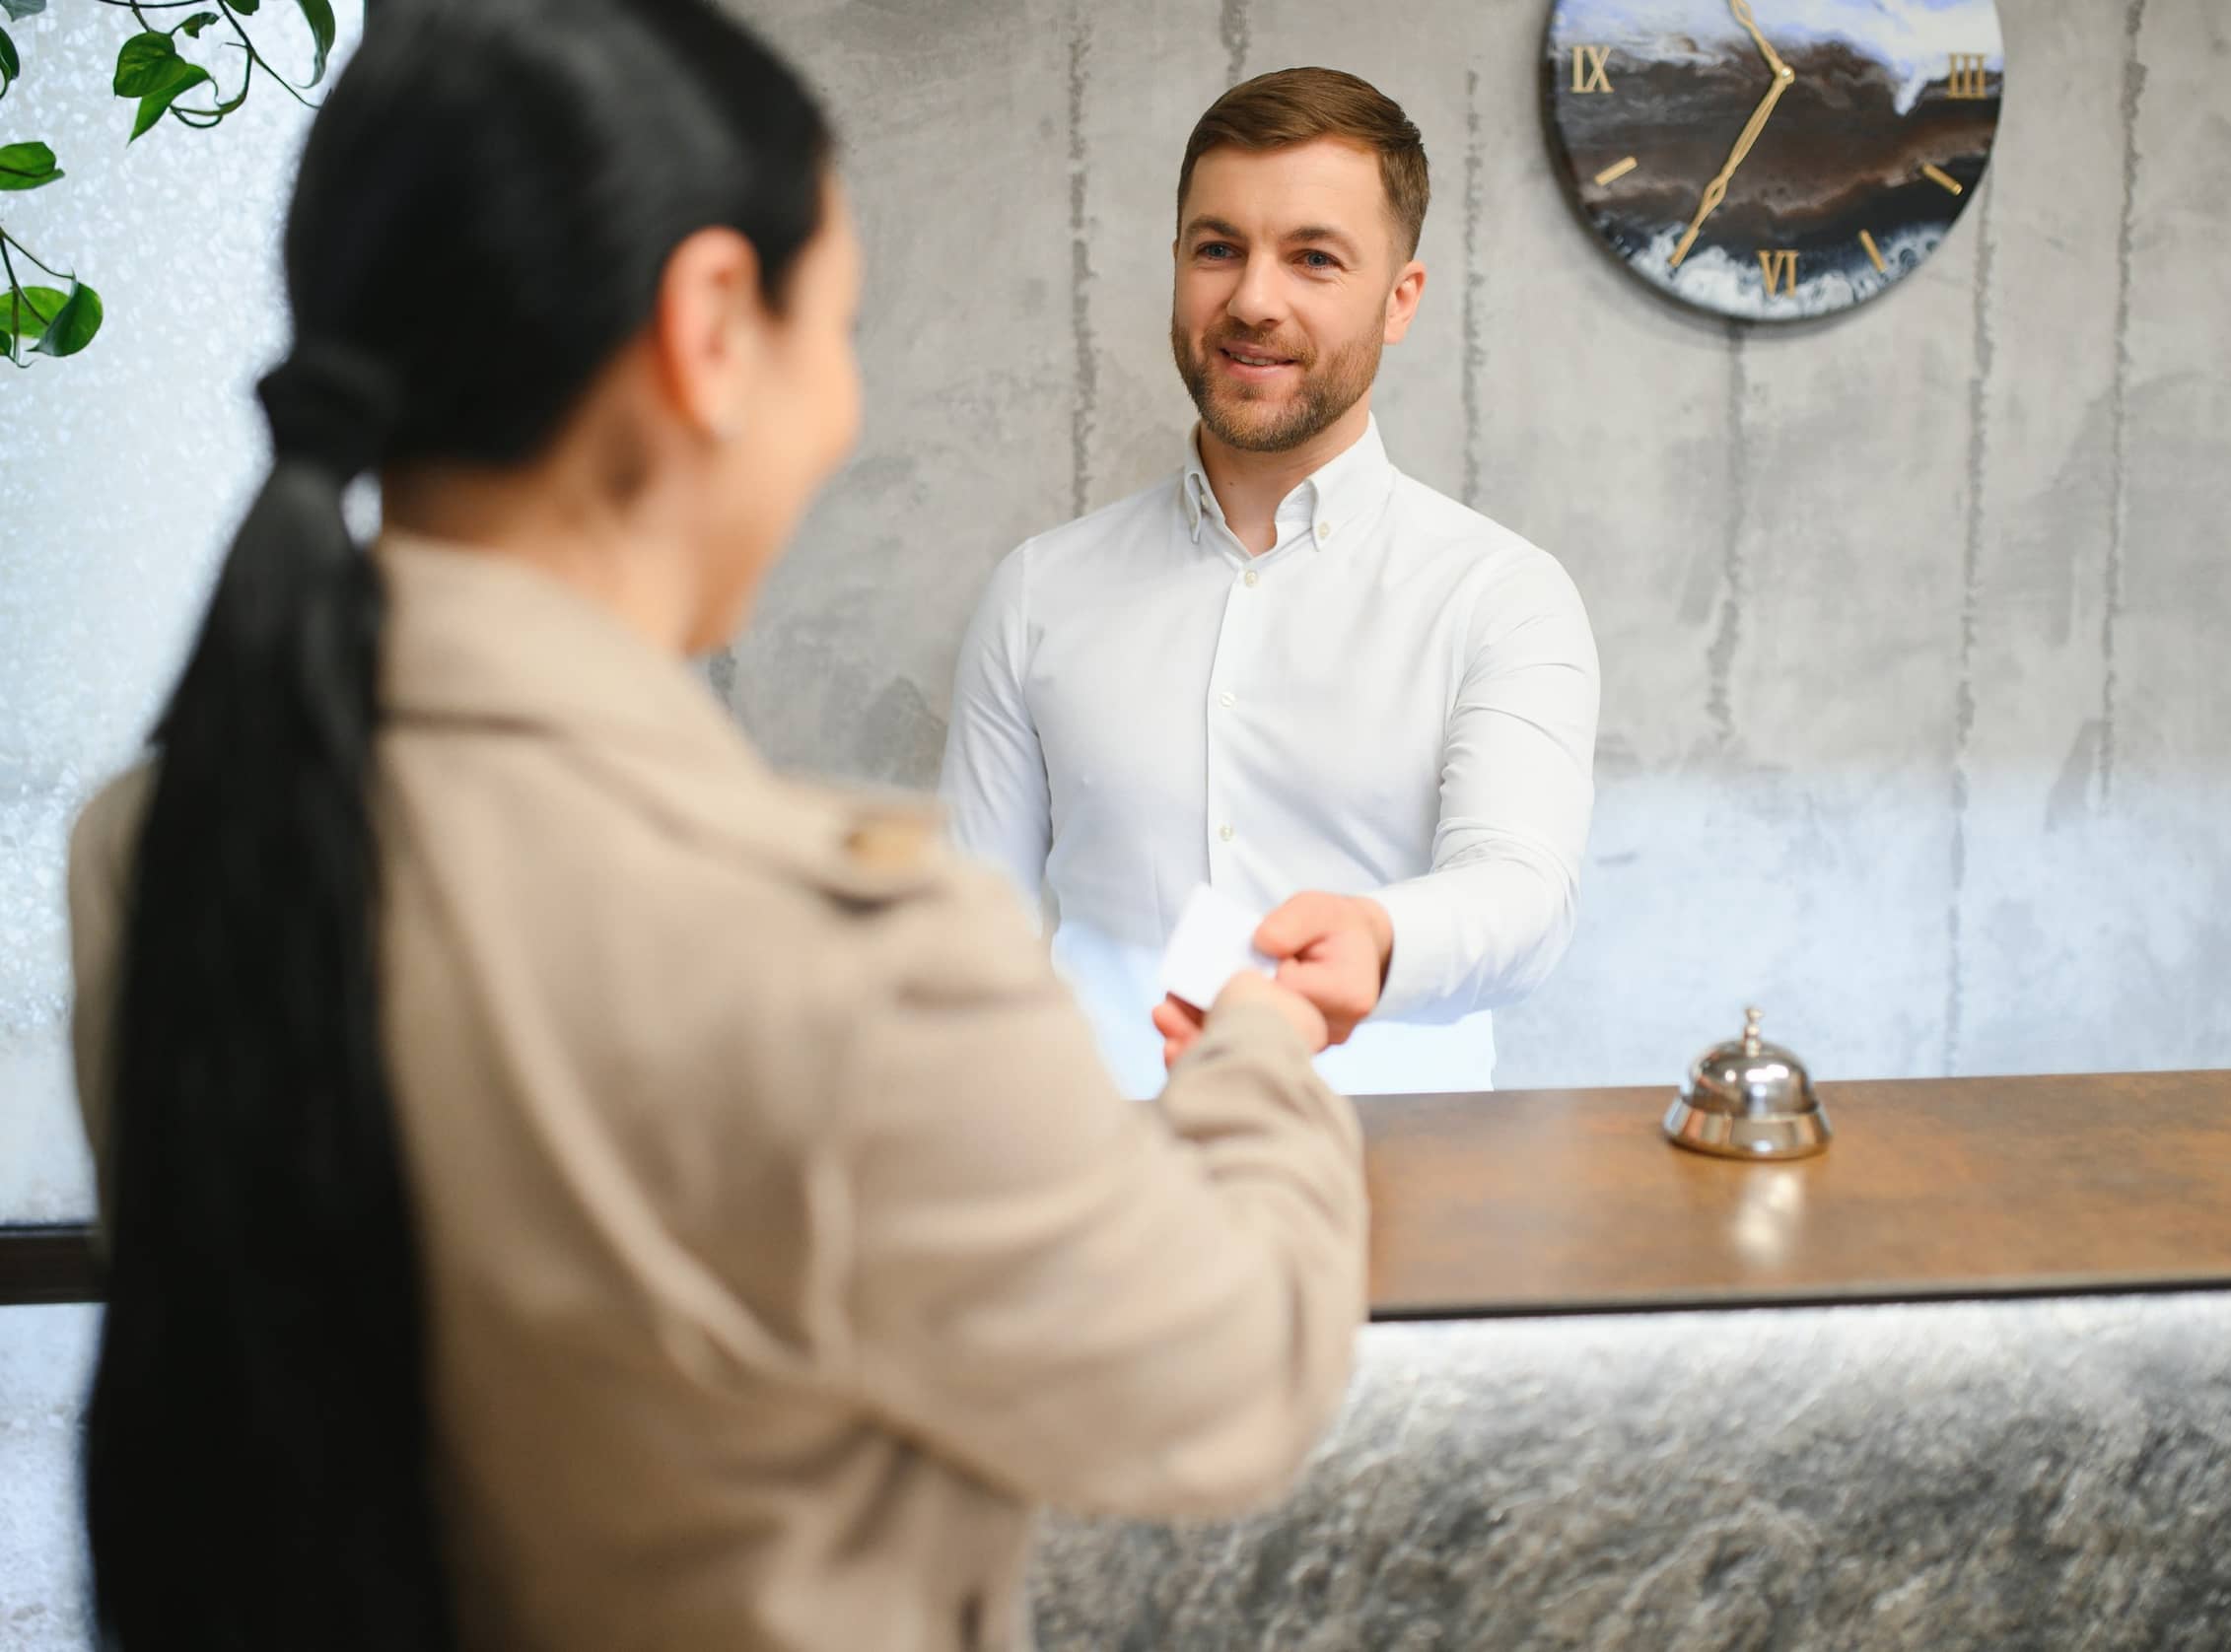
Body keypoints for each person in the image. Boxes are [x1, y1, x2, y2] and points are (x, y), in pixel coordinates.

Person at [62, 5, 1366, 1650]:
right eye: (841, 326)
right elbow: (1228, 1381)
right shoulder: (840, 960)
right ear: (710, 328)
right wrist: (1256, 1052)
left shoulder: (157, 846)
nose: (839, 408)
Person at [939, 67, 1601, 1101]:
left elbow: (1522, 895)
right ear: (1175, 267)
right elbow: (974, 938)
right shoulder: (1037, 593)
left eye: (1314, 259)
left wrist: (1379, 935)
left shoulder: (1500, 596)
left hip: (1401, 1196)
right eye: (1218, 249)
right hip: (1103, 1188)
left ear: (1400, 300)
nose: (1252, 299)